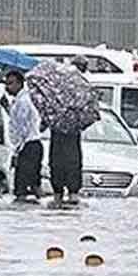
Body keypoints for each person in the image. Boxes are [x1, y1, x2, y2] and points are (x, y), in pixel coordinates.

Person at [48, 57, 88, 208]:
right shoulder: (82, 87)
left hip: (64, 133)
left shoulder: (58, 85)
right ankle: (68, 193)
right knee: (68, 162)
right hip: (67, 133)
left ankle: (62, 193)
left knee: (62, 162)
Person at [4, 70, 43, 203]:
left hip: (28, 146)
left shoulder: (23, 102)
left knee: (23, 186)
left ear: (20, 84)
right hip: (29, 145)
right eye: (6, 83)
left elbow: (22, 128)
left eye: (11, 83)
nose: (7, 87)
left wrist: (17, 149)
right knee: (32, 182)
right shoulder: (19, 100)